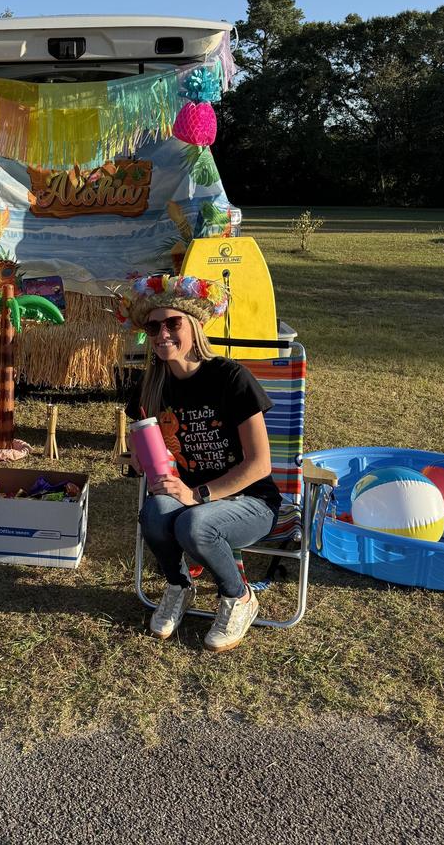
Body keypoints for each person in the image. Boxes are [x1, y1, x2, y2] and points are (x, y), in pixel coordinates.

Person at [117, 274, 281, 652]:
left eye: (172, 323)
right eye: (153, 326)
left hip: (250, 501)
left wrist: (198, 493)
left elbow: (259, 465)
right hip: (189, 495)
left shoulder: (229, 377)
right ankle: (178, 587)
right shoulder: (151, 386)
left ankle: (239, 598)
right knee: (155, 513)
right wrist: (138, 451)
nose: (162, 334)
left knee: (194, 524)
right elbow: (142, 444)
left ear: (193, 325)